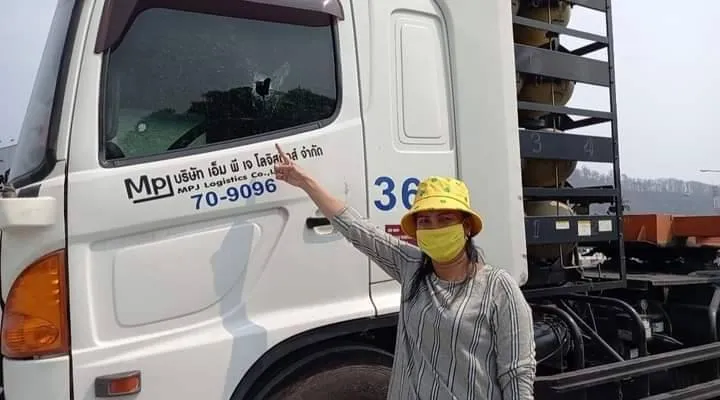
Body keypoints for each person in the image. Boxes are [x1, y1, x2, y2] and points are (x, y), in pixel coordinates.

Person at [273, 143, 536, 400]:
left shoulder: (498, 287)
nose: (434, 228)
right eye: (425, 221)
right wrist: (306, 182)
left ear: (466, 226)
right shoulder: (411, 267)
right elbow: (356, 229)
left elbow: (517, 373)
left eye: (445, 219)